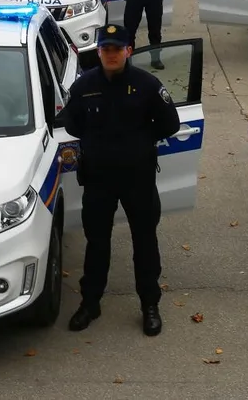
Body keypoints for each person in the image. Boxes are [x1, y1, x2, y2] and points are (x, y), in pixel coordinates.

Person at [58, 23, 180, 337]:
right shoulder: (84, 86)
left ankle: (149, 305)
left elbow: (170, 124)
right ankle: (90, 303)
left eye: (117, 49)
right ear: (98, 51)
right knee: (97, 242)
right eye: (105, 49)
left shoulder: (147, 85)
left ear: (128, 50)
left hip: (137, 179)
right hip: (99, 180)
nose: (111, 55)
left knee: (145, 241)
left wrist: (139, 142)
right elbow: (71, 123)